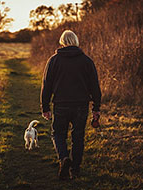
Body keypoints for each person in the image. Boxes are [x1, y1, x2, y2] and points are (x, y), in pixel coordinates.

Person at [40, 30, 101, 180]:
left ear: (62, 42)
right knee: (78, 136)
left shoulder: (54, 60)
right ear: (76, 41)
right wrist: (96, 108)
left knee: (58, 134)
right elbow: (95, 86)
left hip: (61, 105)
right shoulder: (87, 61)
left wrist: (45, 107)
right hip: (81, 105)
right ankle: (75, 170)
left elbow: (46, 85)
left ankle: (64, 158)